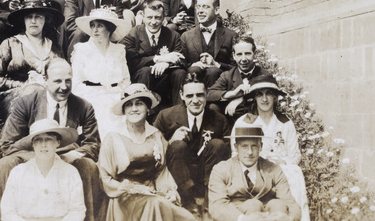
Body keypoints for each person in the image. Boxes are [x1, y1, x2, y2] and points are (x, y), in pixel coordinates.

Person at [0, 58, 105, 221]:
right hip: (34, 152)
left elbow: (93, 144)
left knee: (88, 166)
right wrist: (43, 157)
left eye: (68, 80)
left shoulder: (83, 106)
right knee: (5, 164)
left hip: (68, 156)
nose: (64, 86)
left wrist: (74, 154)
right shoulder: (26, 103)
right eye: (57, 81)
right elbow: (7, 144)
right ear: (45, 81)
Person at [98, 84, 196, 221]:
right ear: (124, 110)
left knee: (186, 217)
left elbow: (161, 172)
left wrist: (170, 191)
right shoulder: (113, 137)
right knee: (157, 204)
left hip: (153, 192)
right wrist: (133, 188)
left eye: (139, 104)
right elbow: (105, 178)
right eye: (129, 105)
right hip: (123, 197)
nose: (134, 109)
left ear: (148, 108)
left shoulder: (156, 135)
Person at [231, 75, 310, 221]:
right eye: (259, 94)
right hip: (254, 170)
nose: (264, 99)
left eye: (269, 93)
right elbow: (235, 154)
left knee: (294, 171)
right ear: (254, 98)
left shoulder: (285, 123)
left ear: (275, 96)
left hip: (281, 172)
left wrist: (282, 162)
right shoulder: (244, 122)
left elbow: (295, 155)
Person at [153, 72, 230, 214]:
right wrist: (170, 141)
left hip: (207, 176)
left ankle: (210, 197)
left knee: (218, 144)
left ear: (206, 94)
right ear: (181, 95)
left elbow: (228, 156)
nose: (195, 100)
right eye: (189, 96)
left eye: (199, 95)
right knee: (177, 145)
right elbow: (153, 149)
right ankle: (187, 199)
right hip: (179, 177)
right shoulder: (166, 116)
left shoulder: (219, 120)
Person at [0, 0, 65, 120]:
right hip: (14, 99)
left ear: (45, 20)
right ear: (23, 20)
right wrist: (25, 84)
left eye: (38, 17)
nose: (33, 21)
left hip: (48, 98)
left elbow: (62, 78)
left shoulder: (55, 49)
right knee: (34, 90)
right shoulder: (10, 44)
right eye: (29, 17)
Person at [209, 126, 301, 221]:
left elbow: (290, 202)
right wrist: (243, 219)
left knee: (278, 204)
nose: (250, 152)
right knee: (252, 205)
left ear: (260, 147)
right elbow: (217, 206)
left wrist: (289, 218)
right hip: (238, 217)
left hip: (270, 216)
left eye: (254, 146)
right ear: (236, 147)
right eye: (244, 146)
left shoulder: (273, 169)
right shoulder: (221, 169)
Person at [0, 118, 86, 221]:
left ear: (57, 142)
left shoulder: (70, 173)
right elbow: (8, 211)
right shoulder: (18, 172)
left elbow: (77, 211)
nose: (43, 144)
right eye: (38, 140)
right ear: (32, 144)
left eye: (49, 139)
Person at [71, 8, 132, 140]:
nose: (95, 30)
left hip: (116, 96)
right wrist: (99, 95)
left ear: (109, 29)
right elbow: (75, 84)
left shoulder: (119, 50)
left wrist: (117, 93)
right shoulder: (82, 49)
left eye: (100, 26)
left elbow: (126, 80)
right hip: (90, 97)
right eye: (92, 26)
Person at [122, 0, 186, 111]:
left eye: (158, 17)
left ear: (164, 18)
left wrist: (167, 63)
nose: (153, 22)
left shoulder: (172, 35)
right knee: (145, 71)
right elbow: (131, 62)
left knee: (180, 73)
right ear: (142, 16)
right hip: (143, 79)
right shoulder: (134, 33)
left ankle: (178, 111)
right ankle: (142, 111)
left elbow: (182, 59)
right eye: (149, 17)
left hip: (165, 80)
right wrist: (158, 59)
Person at [207, 36, 271, 126]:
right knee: (212, 108)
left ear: (254, 54)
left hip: (257, 123)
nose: (243, 59)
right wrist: (233, 94)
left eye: (248, 53)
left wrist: (241, 98)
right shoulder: (227, 75)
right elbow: (209, 94)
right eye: (239, 54)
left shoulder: (265, 75)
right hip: (231, 122)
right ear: (234, 56)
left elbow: (270, 100)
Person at [181, 0, 237, 87]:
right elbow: (181, 65)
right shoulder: (186, 36)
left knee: (213, 71)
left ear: (216, 10)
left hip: (220, 88)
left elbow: (236, 66)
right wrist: (193, 65)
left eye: (205, 7)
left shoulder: (231, 35)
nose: (200, 11)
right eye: (198, 7)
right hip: (193, 88)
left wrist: (217, 65)